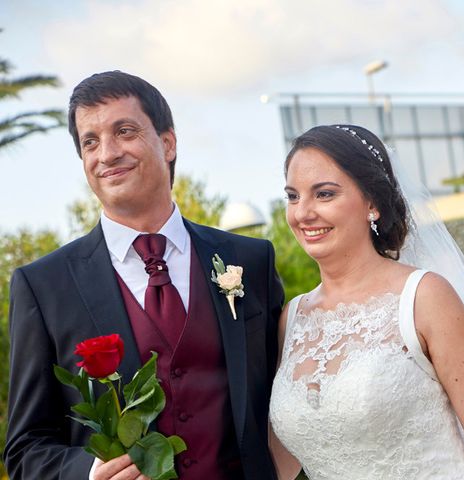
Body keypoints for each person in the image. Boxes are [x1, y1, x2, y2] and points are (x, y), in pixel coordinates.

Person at [4, 71, 284, 480]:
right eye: (90, 142)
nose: (107, 153)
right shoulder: (43, 287)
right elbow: (25, 449)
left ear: (167, 143)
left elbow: (285, 400)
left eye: (125, 131)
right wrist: (87, 472)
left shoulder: (251, 259)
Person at [269, 125, 464, 479]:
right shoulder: (292, 319)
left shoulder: (424, 298)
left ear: (372, 203)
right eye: (293, 196)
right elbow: (281, 460)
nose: (302, 212)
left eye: (324, 194)